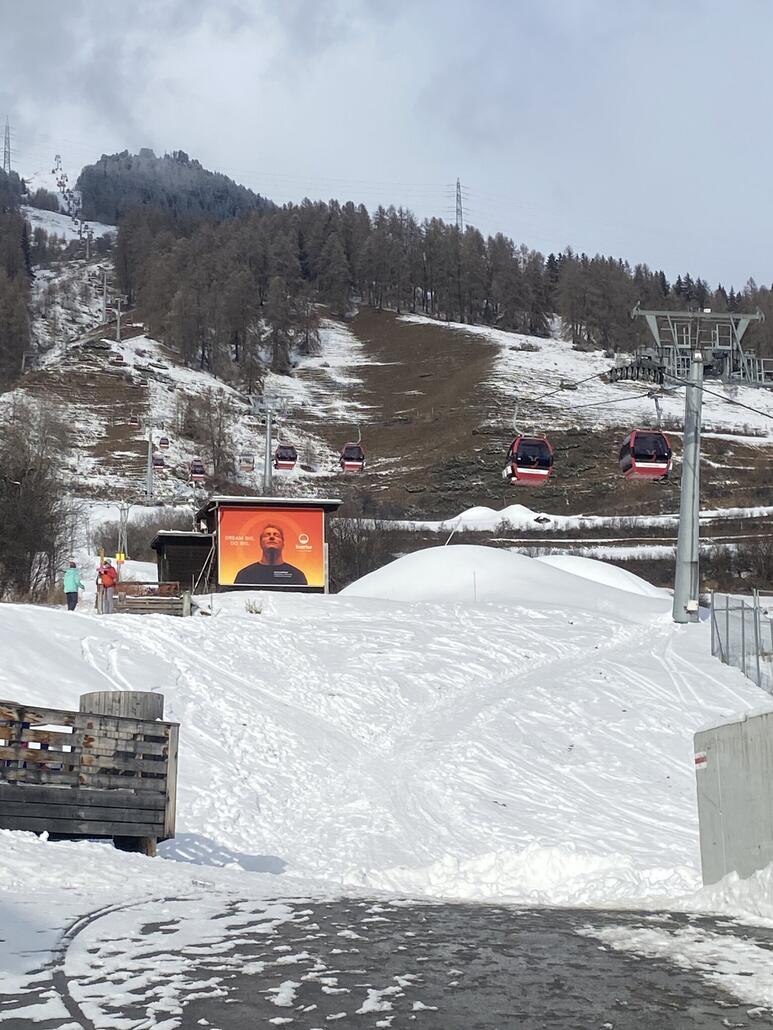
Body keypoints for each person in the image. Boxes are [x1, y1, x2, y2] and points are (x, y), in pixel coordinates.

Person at [234, 523, 308, 586]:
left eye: (276, 535)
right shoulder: (245, 574)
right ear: (260, 543)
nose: (272, 537)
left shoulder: (297, 576)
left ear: (283, 544)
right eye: (267, 535)